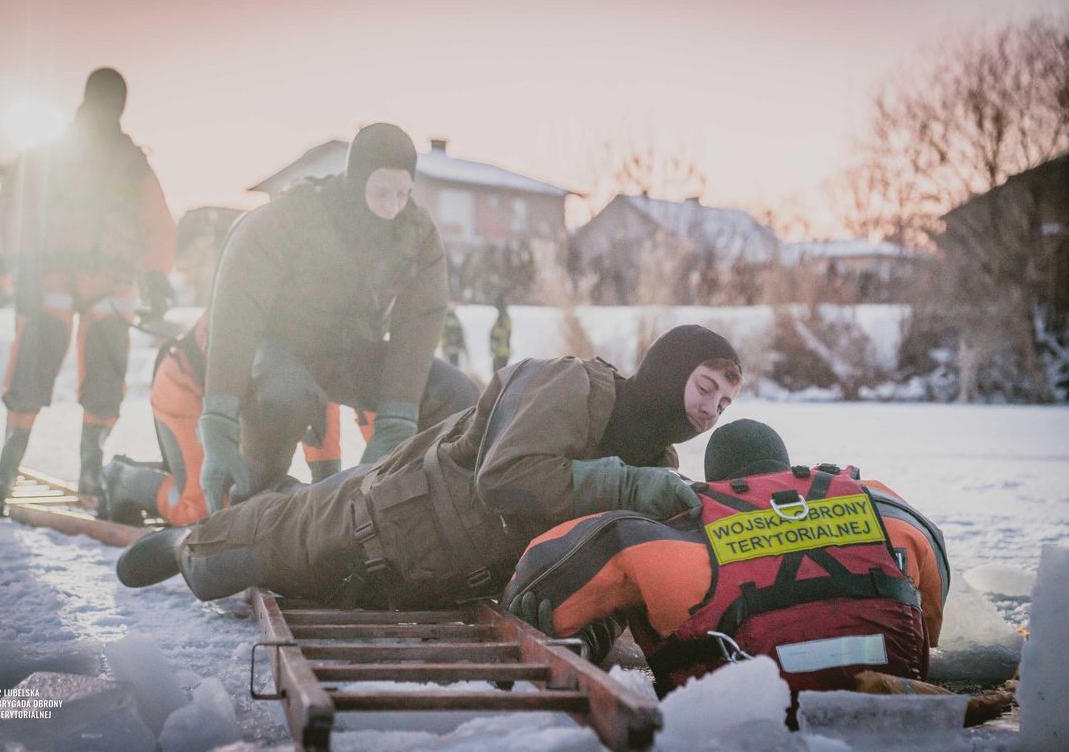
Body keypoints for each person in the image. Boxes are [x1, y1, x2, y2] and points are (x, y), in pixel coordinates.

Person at [116, 325, 743, 610]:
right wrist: (630, 486)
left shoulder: (654, 461)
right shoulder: (574, 386)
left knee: (286, 522)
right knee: (238, 553)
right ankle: (179, 541)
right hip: (378, 526)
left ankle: (255, 506)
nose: (711, 408)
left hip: (441, 583)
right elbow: (508, 479)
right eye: (705, 385)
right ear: (667, 370)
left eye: (724, 401)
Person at [503, 419, 950, 698]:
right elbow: (933, 595)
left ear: (714, 481)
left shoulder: (676, 534)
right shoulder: (882, 505)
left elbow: (537, 579)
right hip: (894, 681)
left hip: (745, 714)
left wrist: (602, 620)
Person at [196, 123, 478, 513]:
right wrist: (218, 419)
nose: (392, 207)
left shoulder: (415, 233)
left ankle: (404, 506)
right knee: (289, 398)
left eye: (403, 193)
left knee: (454, 394)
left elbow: (420, 320)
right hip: (278, 349)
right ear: (357, 181)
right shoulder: (294, 216)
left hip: (345, 352)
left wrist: (397, 419)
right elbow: (238, 308)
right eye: (381, 193)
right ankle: (251, 502)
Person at [0, 68, 176, 500]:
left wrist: (157, 277)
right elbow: (21, 210)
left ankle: (90, 473)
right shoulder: (49, 154)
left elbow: (156, 223)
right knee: (30, 371)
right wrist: (24, 271)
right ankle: (7, 470)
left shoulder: (132, 161)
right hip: (51, 279)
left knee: (106, 381)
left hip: (112, 284)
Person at [99, 312, 374, 526]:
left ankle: (182, 472)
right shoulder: (263, 308)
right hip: (186, 388)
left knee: (239, 495)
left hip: (243, 396)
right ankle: (120, 478)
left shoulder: (324, 322)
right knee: (201, 509)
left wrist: (328, 491)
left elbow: (316, 400)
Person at [489, 296, 511, 373]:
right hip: (499, 352)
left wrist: (494, 333)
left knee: (499, 375)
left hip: (502, 353)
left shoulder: (504, 318)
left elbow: (505, 332)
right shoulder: (501, 317)